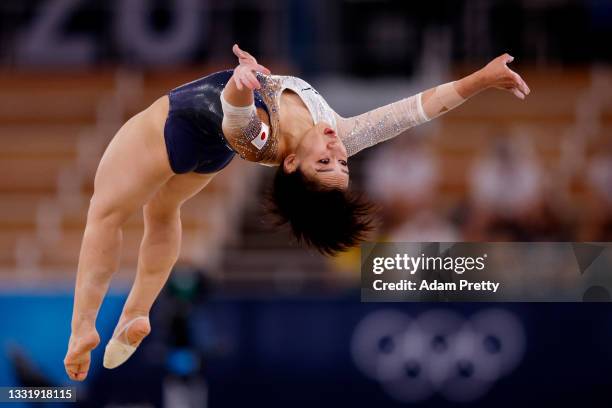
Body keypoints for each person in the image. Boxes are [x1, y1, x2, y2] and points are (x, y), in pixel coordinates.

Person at [64, 44, 530, 381]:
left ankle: (83, 326)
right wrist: (481, 80)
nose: (335, 149)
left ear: (291, 163)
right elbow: (414, 111)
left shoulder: (265, 140)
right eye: (340, 163)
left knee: (104, 213)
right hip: (206, 153)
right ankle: (136, 313)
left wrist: (241, 87)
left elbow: (237, 121)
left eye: (323, 162)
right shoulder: (340, 131)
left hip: (171, 127)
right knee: (163, 212)